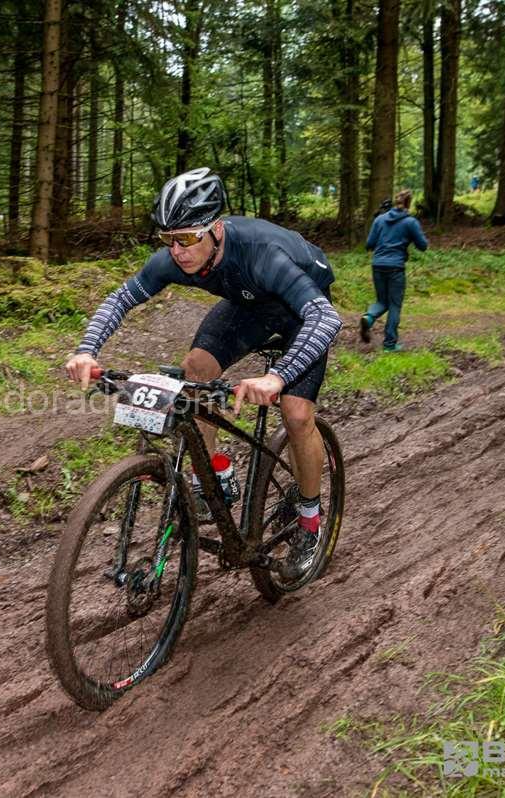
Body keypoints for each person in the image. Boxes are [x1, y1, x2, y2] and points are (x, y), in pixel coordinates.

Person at [64, 168, 342, 579]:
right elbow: (120, 299)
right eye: (168, 240)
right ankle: (212, 476)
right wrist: (87, 351)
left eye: (187, 238)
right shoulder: (177, 257)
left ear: (216, 229)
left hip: (302, 312)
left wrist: (277, 377)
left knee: (297, 415)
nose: (177, 251)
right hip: (249, 306)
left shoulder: (264, 254)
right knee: (195, 371)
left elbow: (325, 318)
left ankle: (310, 522)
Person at [359, 189, 428, 352]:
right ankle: (389, 344)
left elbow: (369, 244)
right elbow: (423, 245)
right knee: (395, 304)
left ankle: (368, 317)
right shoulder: (410, 222)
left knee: (382, 301)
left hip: (378, 264)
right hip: (396, 267)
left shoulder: (379, 219)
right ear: (409, 204)